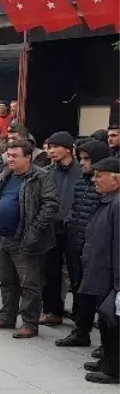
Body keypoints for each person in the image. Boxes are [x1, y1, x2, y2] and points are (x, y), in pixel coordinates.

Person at [0, 140, 60, 339]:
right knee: (6, 281)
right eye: (9, 155)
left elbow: (50, 205)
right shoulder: (6, 175)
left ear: (28, 157)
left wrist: (33, 233)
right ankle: (7, 316)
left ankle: (29, 323)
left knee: (29, 283)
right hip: (3, 237)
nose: (11, 159)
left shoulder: (41, 176)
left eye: (16, 156)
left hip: (25, 239)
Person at [61, 140, 112, 348]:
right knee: (79, 291)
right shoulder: (81, 183)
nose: (82, 163)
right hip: (76, 245)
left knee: (100, 297)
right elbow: (74, 210)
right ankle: (81, 331)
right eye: (80, 158)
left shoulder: (106, 188)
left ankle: (106, 345)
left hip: (96, 250)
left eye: (87, 159)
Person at [79, 157, 120, 383]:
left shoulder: (117, 204)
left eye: (99, 175)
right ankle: (107, 359)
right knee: (105, 320)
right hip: (101, 272)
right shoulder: (107, 200)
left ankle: (114, 369)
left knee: (112, 323)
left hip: (111, 276)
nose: (94, 179)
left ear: (115, 180)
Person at [40, 131, 83, 327]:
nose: (52, 151)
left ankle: (80, 314)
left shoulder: (81, 171)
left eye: (56, 147)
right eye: (50, 147)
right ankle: (52, 310)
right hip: (52, 227)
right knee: (50, 271)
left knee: (77, 272)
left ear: (68, 149)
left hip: (74, 229)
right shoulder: (47, 172)